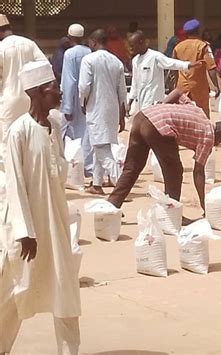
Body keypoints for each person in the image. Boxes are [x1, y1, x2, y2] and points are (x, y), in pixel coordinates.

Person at [0, 60, 81, 354]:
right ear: (35, 93)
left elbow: (58, 172)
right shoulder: (18, 131)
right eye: (52, 88)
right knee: (15, 291)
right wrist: (25, 231)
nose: (58, 92)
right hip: (28, 230)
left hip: (55, 222)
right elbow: (15, 183)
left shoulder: (56, 124)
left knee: (66, 291)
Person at [107, 89, 221, 212]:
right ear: (217, 134)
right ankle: (171, 213)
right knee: (175, 171)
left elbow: (177, 93)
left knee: (132, 167)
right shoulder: (209, 136)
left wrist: (161, 106)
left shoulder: (199, 111)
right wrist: (204, 204)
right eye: (219, 142)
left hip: (143, 116)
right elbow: (198, 172)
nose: (216, 145)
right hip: (160, 127)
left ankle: (111, 206)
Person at [79, 29, 127, 195]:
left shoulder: (89, 60)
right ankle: (96, 184)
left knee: (101, 149)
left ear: (93, 42)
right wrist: (122, 115)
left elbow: (84, 86)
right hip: (112, 110)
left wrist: (82, 102)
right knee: (99, 145)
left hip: (97, 108)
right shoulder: (116, 61)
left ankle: (121, 186)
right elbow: (122, 92)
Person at [0, 14, 47, 144]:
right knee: (30, 137)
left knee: (8, 139)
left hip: (9, 100)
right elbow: (45, 65)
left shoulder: (1, 48)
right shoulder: (29, 43)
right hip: (32, 99)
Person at [128, 31, 203, 112]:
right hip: (140, 102)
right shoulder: (135, 60)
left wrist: (189, 65)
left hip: (153, 102)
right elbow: (134, 82)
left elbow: (171, 63)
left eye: (132, 46)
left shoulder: (155, 56)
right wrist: (129, 102)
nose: (131, 49)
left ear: (140, 42)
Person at [60, 23, 93, 177]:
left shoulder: (70, 54)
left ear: (69, 37)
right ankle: (87, 167)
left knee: (72, 134)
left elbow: (69, 81)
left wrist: (67, 107)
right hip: (89, 98)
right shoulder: (90, 52)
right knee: (86, 133)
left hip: (73, 99)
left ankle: (76, 169)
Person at [173, 19, 220, 118]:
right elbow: (211, 67)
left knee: (183, 114)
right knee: (203, 114)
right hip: (199, 86)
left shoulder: (178, 47)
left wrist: (176, 85)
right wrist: (216, 86)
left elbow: (175, 68)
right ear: (198, 31)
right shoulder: (203, 46)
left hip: (182, 86)